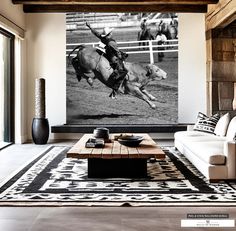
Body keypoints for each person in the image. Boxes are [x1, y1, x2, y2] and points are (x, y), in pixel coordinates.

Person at [86, 22, 128, 97]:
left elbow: (96, 33)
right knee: (124, 71)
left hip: (107, 54)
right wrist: (121, 57)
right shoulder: (111, 42)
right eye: (111, 32)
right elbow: (117, 52)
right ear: (109, 34)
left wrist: (90, 27)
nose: (112, 33)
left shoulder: (103, 38)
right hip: (113, 57)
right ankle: (115, 89)